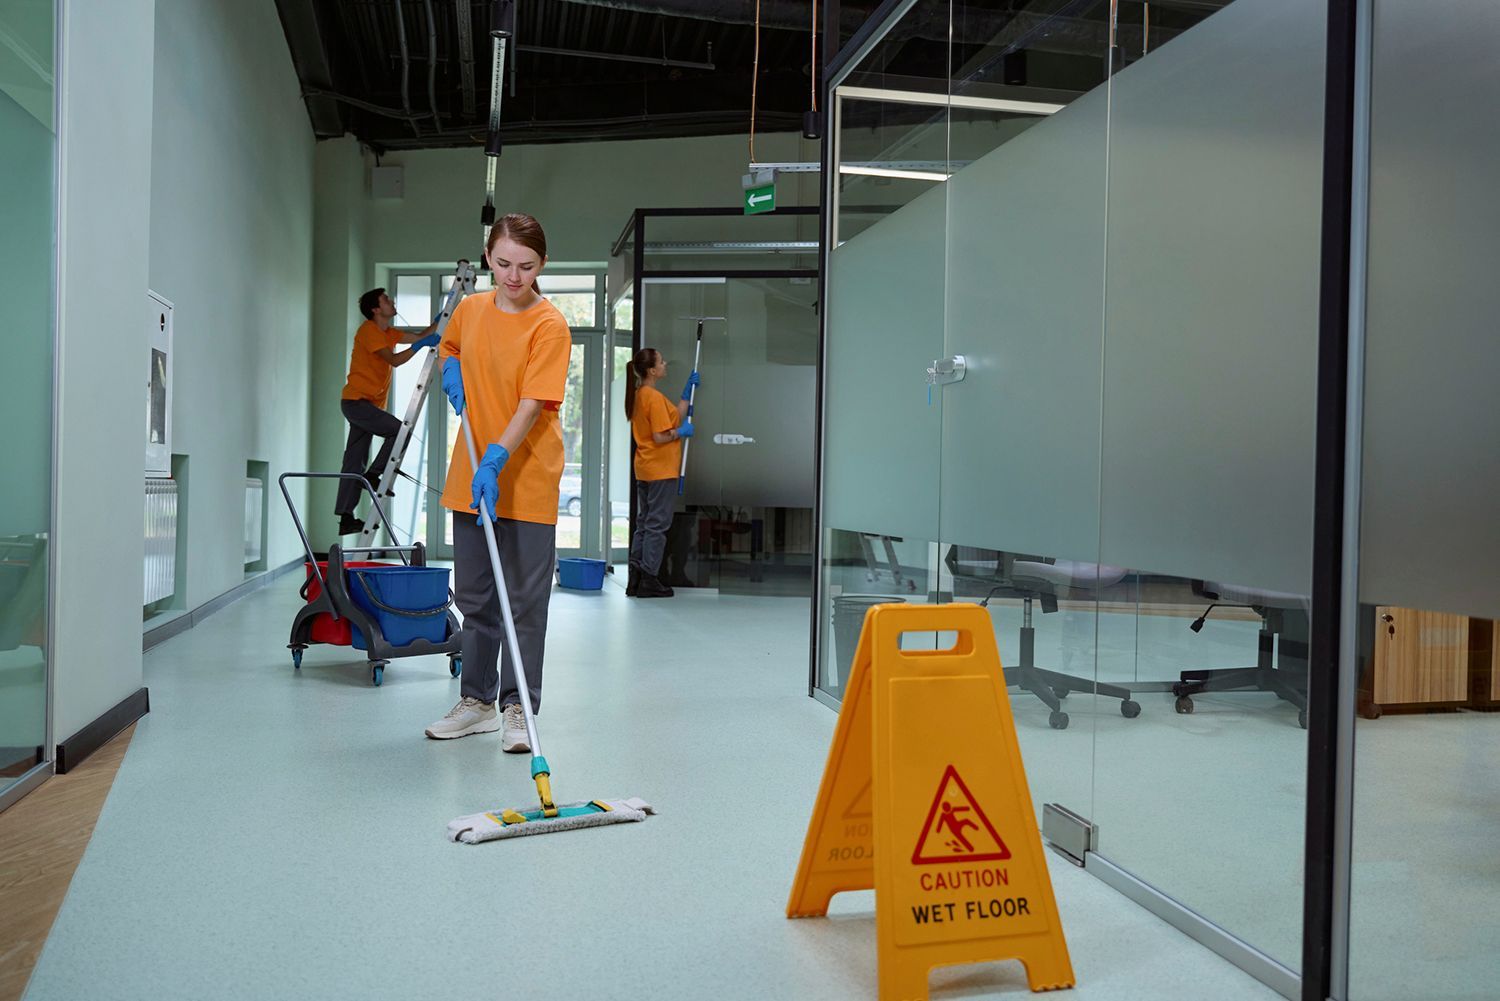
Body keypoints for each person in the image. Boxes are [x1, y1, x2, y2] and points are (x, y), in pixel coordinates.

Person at [424, 213, 571, 752]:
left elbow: (533, 403)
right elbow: (450, 346)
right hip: (471, 474)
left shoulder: (549, 325)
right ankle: (478, 702)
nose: (514, 276)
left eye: (526, 266)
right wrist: (450, 368)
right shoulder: (470, 308)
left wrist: (497, 457)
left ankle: (518, 707)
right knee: (476, 596)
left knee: (525, 601)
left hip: (525, 474)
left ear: (542, 265)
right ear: (489, 257)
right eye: (504, 263)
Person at [335, 288, 440, 535]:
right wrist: (422, 344)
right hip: (356, 402)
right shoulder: (369, 331)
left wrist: (436, 324)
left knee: (353, 460)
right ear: (375, 309)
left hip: (365, 405)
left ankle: (346, 518)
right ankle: (373, 474)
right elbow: (393, 360)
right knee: (399, 430)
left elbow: (418, 336)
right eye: (385, 300)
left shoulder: (387, 332)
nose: (391, 302)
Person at [624, 348, 698, 598]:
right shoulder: (652, 397)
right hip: (660, 469)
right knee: (657, 524)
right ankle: (649, 579)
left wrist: (685, 395)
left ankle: (635, 577)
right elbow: (661, 434)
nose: (665, 364)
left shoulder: (640, 395)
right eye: (662, 361)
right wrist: (680, 433)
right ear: (652, 371)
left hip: (645, 468)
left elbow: (673, 418)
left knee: (644, 523)